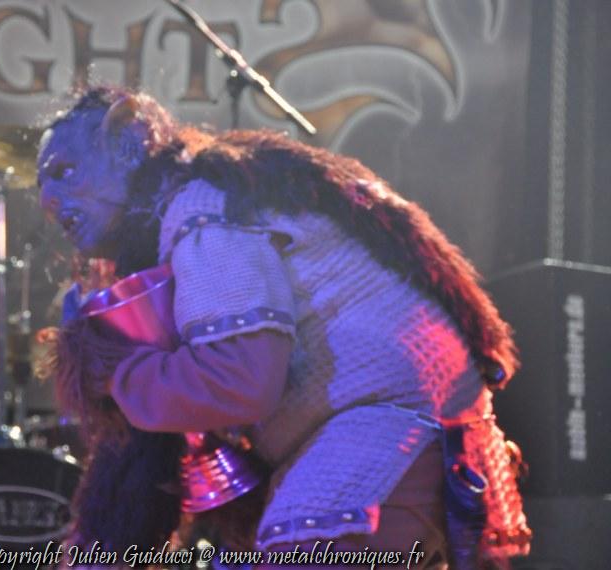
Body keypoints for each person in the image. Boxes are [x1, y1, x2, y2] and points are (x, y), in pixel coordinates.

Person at [38, 85, 531, 568]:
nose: (49, 202)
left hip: (383, 434)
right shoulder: (216, 197)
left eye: (64, 172)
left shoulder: (202, 207)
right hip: (405, 430)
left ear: (130, 137)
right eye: (43, 188)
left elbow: (238, 379)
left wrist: (115, 372)